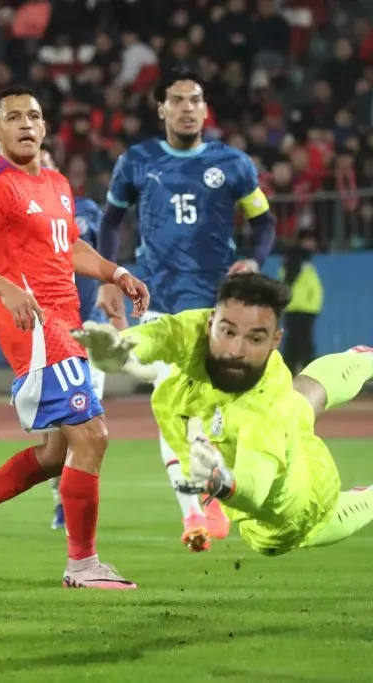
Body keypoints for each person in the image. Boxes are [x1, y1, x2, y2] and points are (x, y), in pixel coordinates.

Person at [0, 86, 150, 589]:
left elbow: (67, 244)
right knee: (93, 437)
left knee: (56, 452)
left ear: (45, 127)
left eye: (34, 116)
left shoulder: (55, 182)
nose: (26, 123)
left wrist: (115, 273)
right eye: (14, 117)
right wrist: (4, 287)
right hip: (36, 331)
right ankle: (83, 563)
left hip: (67, 322)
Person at [96, 69, 277, 553]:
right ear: (161, 109)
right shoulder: (136, 162)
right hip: (161, 304)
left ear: (205, 107)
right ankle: (194, 513)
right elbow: (111, 222)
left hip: (221, 308)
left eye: (195, 99)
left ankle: (216, 486)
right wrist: (110, 276)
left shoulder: (231, 163)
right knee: (173, 405)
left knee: (220, 410)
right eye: (177, 100)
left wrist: (255, 259)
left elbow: (263, 222)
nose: (187, 108)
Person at [75, 273, 373, 557]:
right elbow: (158, 336)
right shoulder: (194, 330)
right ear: (210, 323)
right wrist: (121, 351)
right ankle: (363, 359)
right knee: (304, 398)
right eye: (227, 331)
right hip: (265, 421)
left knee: (278, 537)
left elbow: (255, 488)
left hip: (295, 503)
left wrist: (225, 483)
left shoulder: (265, 408)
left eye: (255, 339)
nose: (236, 350)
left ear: (274, 341)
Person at [39, 146, 110, 531]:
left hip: (90, 327)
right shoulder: (17, 214)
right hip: (48, 329)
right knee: (55, 428)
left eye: (47, 162)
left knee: (84, 418)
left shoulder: (83, 208)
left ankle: (70, 507)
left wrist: (112, 282)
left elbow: (101, 249)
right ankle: (60, 497)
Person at [280, 229, 323, 375]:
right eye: (309, 240)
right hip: (301, 309)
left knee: (295, 344)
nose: (312, 244)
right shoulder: (299, 260)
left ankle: (291, 375)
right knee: (302, 345)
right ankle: (310, 376)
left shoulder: (297, 260)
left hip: (299, 308)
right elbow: (292, 283)